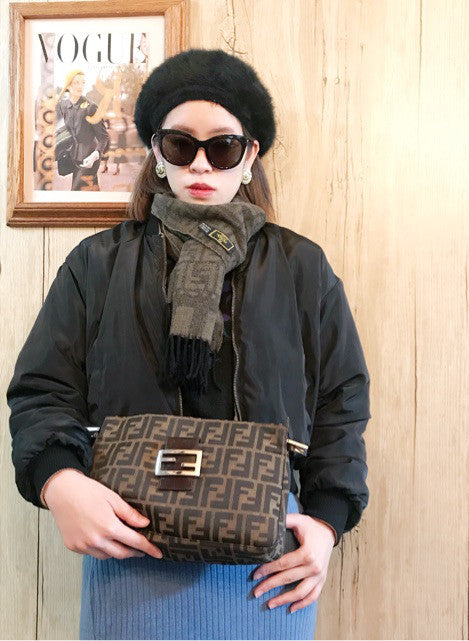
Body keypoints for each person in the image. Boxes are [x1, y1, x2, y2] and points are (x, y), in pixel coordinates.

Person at [7, 48, 371, 640]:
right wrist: (59, 481)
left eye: (222, 147)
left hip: (269, 560)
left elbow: (341, 401)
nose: (201, 164)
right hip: (129, 539)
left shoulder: (301, 267)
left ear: (249, 155)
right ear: (156, 151)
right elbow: (43, 388)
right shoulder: (98, 263)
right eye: (180, 145)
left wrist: (327, 523)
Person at [55, 69, 110, 191]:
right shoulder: (63, 106)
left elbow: (103, 137)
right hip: (73, 156)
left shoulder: (91, 108)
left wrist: (95, 155)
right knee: (88, 192)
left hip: (89, 158)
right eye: (76, 82)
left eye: (83, 82)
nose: (80, 86)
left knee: (77, 192)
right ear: (68, 85)